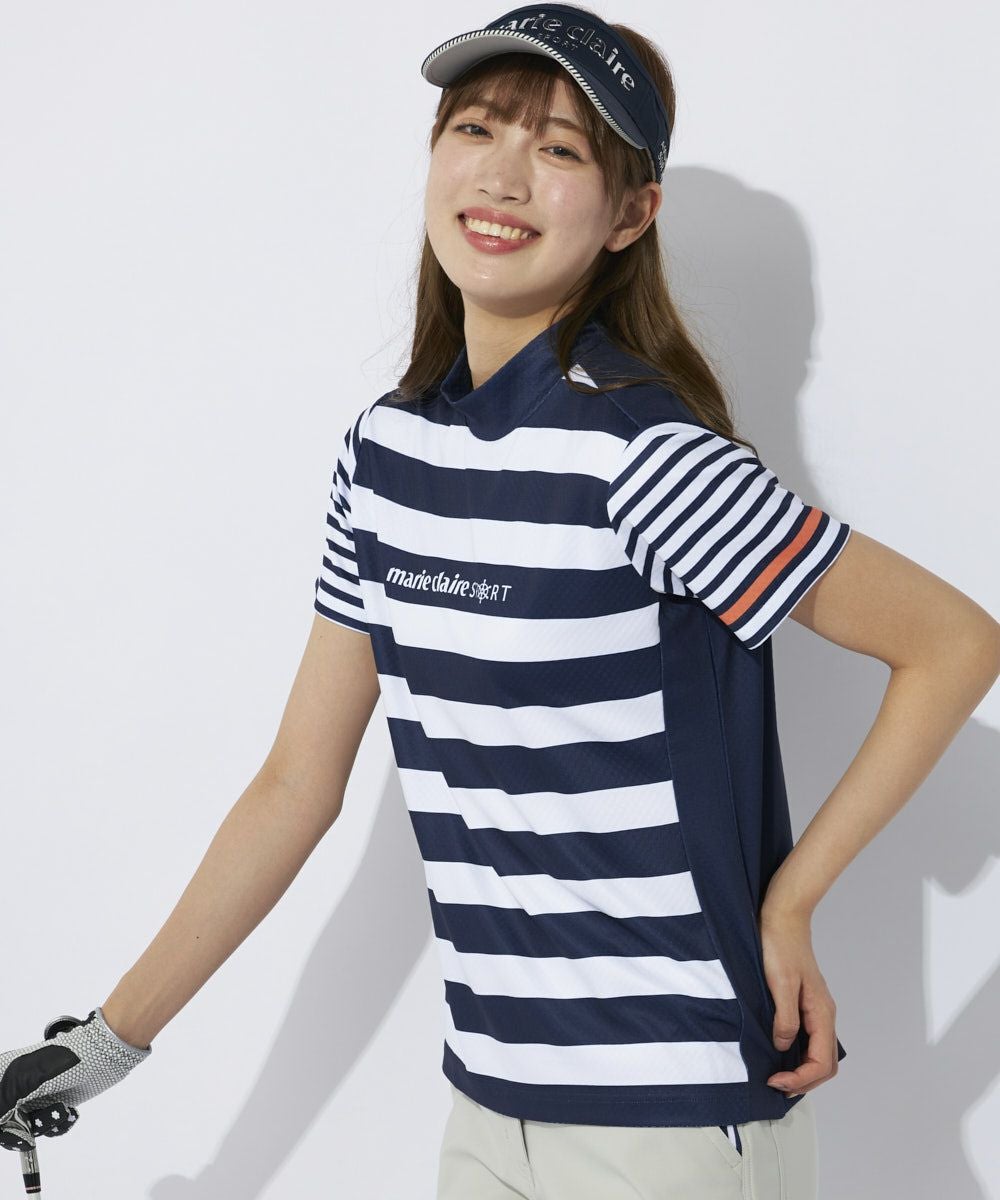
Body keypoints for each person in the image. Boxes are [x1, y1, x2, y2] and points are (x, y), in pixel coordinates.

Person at [2, 4, 998, 1198]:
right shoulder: (384, 458)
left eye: (560, 149)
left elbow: (953, 644)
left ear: (631, 215)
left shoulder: (643, 458)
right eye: (475, 128)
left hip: (670, 1121)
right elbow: (294, 786)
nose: (503, 175)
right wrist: (108, 1044)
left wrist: (790, 904)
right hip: (488, 1105)